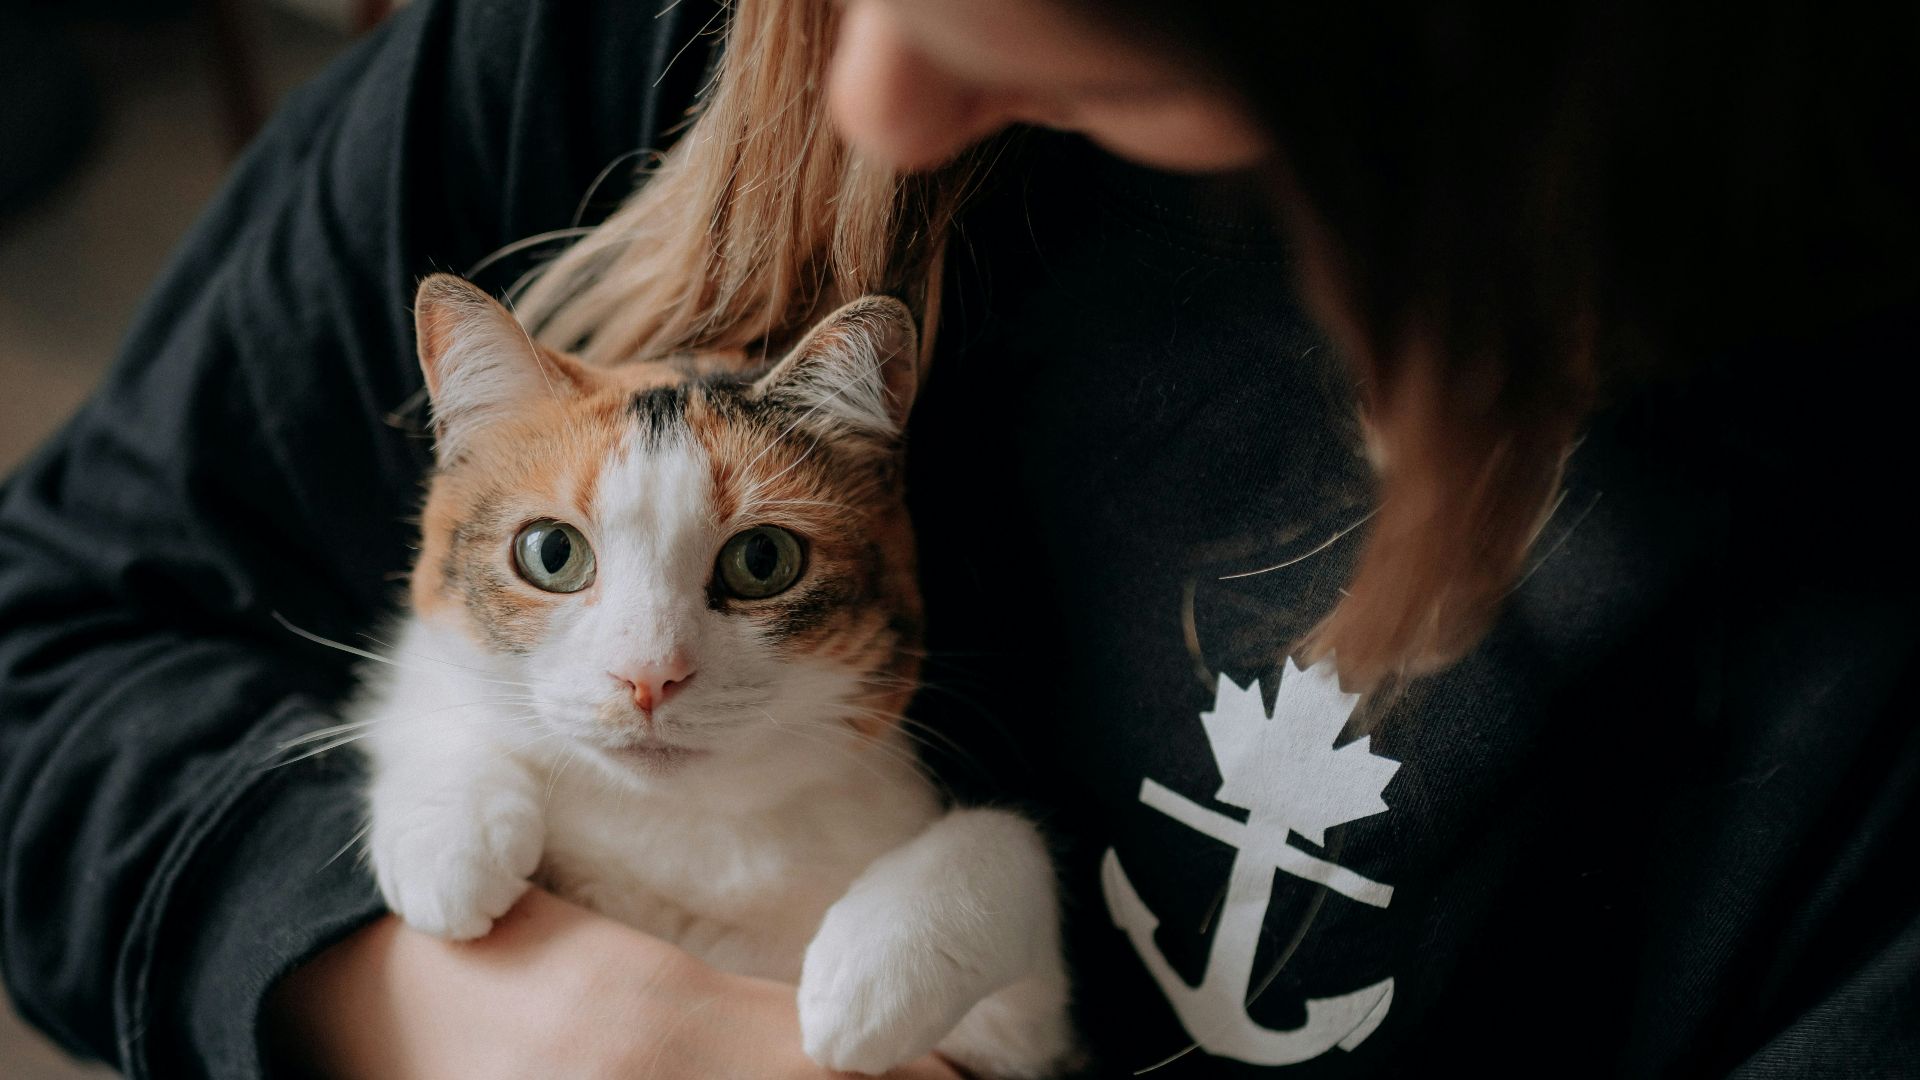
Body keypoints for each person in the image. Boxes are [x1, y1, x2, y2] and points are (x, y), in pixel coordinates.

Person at [1, 0, 1913, 1076]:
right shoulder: (612, 38)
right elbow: (47, 637)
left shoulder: (1840, 631)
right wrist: (501, 1020)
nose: (873, 95)